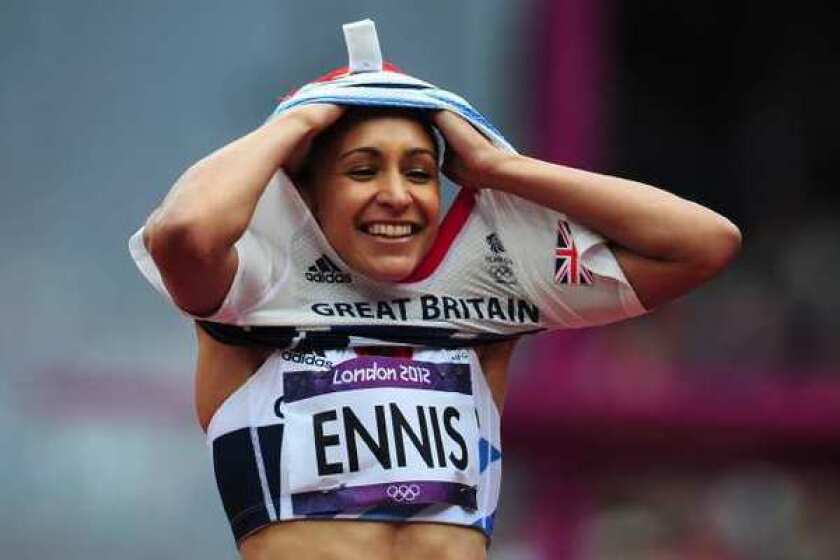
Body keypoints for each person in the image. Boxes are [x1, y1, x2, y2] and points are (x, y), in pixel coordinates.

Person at [130, 24, 740, 560]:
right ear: (308, 194)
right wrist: (305, 117)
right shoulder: (253, 287)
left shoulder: (491, 286)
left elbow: (705, 242)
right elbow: (184, 230)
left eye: (420, 172)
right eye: (362, 170)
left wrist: (500, 167)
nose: (397, 194)